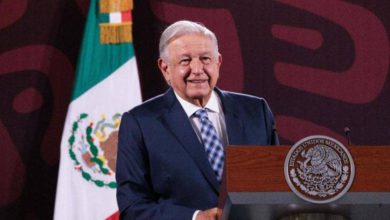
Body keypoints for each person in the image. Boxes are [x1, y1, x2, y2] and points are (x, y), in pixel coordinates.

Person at [116, 20, 279, 220]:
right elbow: (133, 208)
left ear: (218, 62)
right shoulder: (140, 123)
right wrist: (195, 217)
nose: (197, 69)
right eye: (185, 61)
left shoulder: (256, 111)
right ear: (165, 68)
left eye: (205, 59)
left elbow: (276, 188)